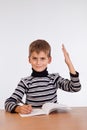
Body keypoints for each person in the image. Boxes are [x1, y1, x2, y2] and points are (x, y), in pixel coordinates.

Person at [4, 39, 81, 114]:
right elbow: (8, 103)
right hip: (32, 122)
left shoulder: (54, 78)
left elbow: (75, 87)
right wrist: (18, 108)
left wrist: (69, 63)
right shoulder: (25, 82)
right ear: (29, 60)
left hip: (53, 121)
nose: (38, 62)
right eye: (34, 58)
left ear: (49, 60)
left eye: (42, 58)